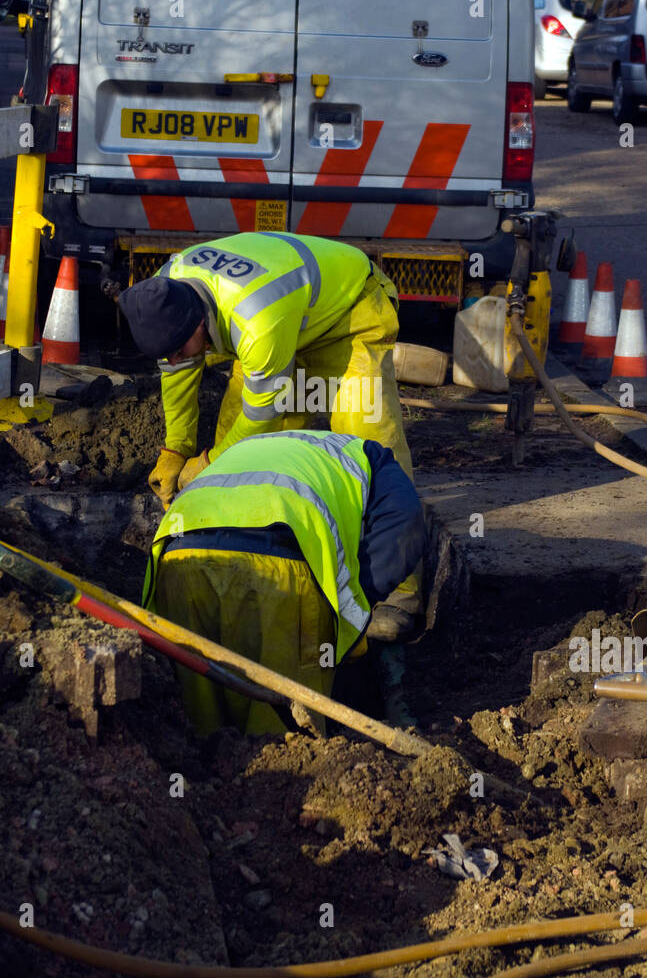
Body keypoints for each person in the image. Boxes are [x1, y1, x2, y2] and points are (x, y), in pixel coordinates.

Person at [118, 230, 420, 637]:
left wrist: (205, 464)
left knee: (369, 448)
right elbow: (178, 378)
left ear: (198, 321)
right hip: (284, 323)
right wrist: (176, 450)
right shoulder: (166, 292)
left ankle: (399, 592)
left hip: (350, 313)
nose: (172, 359)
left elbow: (261, 417)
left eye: (176, 349)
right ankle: (254, 554)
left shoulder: (256, 319)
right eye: (165, 355)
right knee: (238, 446)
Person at [141, 429, 427, 735]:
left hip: (177, 564)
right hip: (281, 567)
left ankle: (201, 776)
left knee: (199, 726)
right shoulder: (373, 457)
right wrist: (359, 598)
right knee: (286, 732)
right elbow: (406, 522)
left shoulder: (250, 449)